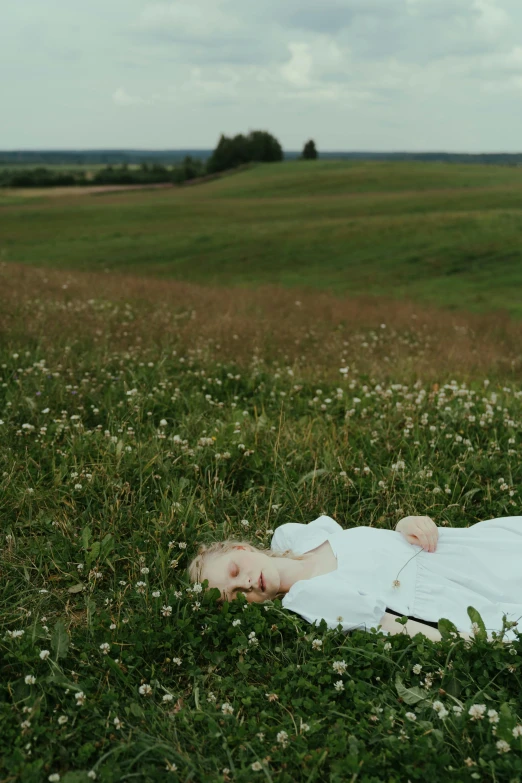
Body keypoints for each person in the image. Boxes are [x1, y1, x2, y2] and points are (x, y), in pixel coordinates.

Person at [188, 515, 522, 642]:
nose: (244, 583)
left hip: (456, 549)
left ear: (241, 547)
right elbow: (387, 623)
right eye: (234, 595)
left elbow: (368, 541)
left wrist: (405, 524)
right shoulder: (307, 598)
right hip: (456, 594)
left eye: (234, 571)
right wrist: (463, 639)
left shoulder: (295, 537)